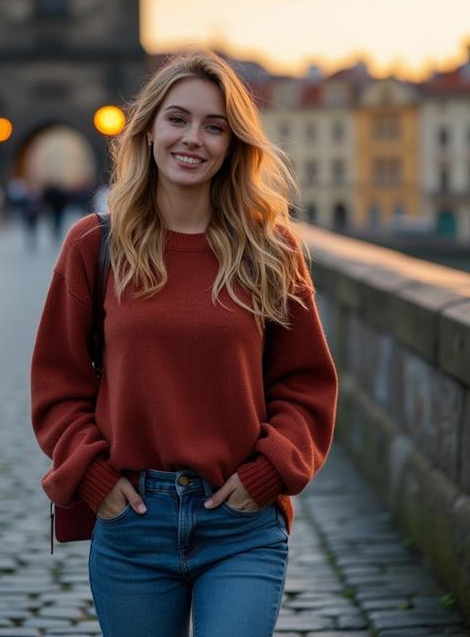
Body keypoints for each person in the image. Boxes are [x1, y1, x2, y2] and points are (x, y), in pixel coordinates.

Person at [30, 50, 338, 637]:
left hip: (240, 526)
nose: (192, 138)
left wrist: (269, 474)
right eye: (178, 119)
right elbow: (58, 385)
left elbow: (308, 386)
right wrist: (93, 478)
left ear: (232, 145)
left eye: (214, 126)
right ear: (147, 132)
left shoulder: (271, 250)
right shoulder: (93, 246)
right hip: (132, 525)